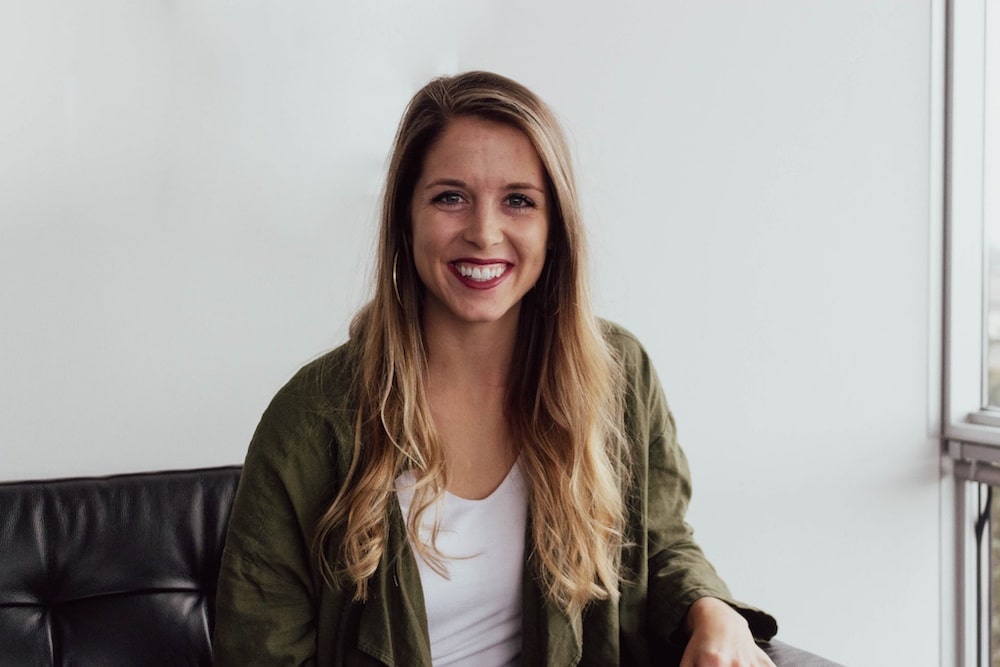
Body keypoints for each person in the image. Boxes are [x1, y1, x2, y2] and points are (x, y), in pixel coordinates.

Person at [213, 71, 778, 666]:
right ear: (405, 221)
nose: (484, 233)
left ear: (554, 227)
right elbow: (259, 649)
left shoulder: (618, 377)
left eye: (518, 201)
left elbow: (659, 542)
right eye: (450, 197)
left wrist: (711, 609)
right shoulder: (310, 419)